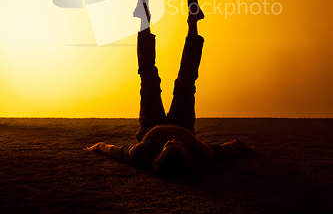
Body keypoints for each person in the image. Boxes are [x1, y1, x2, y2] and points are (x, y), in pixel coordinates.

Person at [85, 20, 253, 178]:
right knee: (186, 82)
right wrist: (240, 144)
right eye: (178, 144)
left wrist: (98, 146)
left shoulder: (141, 154)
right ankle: (193, 23)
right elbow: (224, 150)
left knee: (148, 79)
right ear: (187, 153)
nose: (173, 138)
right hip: (183, 124)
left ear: (159, 154)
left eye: (168, 144)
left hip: (151, 125)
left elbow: (115, 151)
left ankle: (144, 18)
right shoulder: (199, 153)